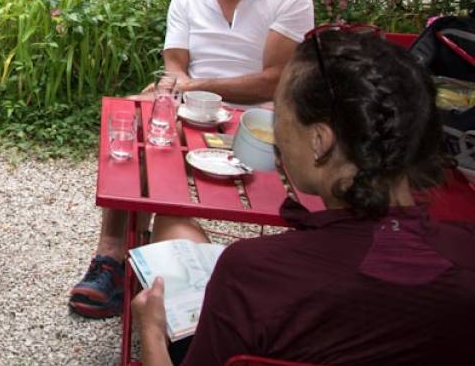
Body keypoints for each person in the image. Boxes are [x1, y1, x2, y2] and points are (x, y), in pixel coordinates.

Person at [133, 30, 475, 365]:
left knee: (173, 232)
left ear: (319, 141)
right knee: (176, 226)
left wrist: (150, 329)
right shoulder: (464, 254)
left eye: (279, 114)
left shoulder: (250, 271)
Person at [69, 0, 314, 318]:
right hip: (191, 105)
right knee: (128, 115)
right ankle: (112, 257)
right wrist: (181, 90)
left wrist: (196, 87)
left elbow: (276, 80)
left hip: (261, 118)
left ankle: (180, 258)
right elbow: (174, 65)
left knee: (158, 108)